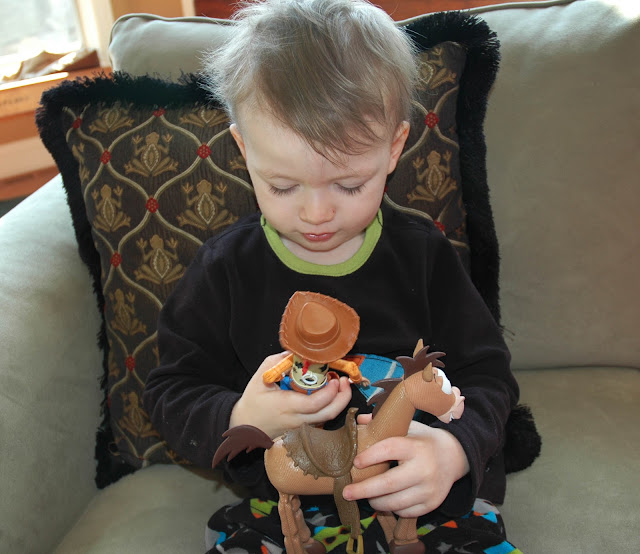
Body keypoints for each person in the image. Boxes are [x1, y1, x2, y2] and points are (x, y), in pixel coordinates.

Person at [143, 0, 521, 552]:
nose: (316, 214)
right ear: (244, 150)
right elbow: (170, 392)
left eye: (348, 185)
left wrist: (455, 452)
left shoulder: (423, 256)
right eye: (282, 186)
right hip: (288, 503)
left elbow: (488, 376)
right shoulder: (225, 268)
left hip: (418, 496)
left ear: (394, 148)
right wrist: (241, 415)